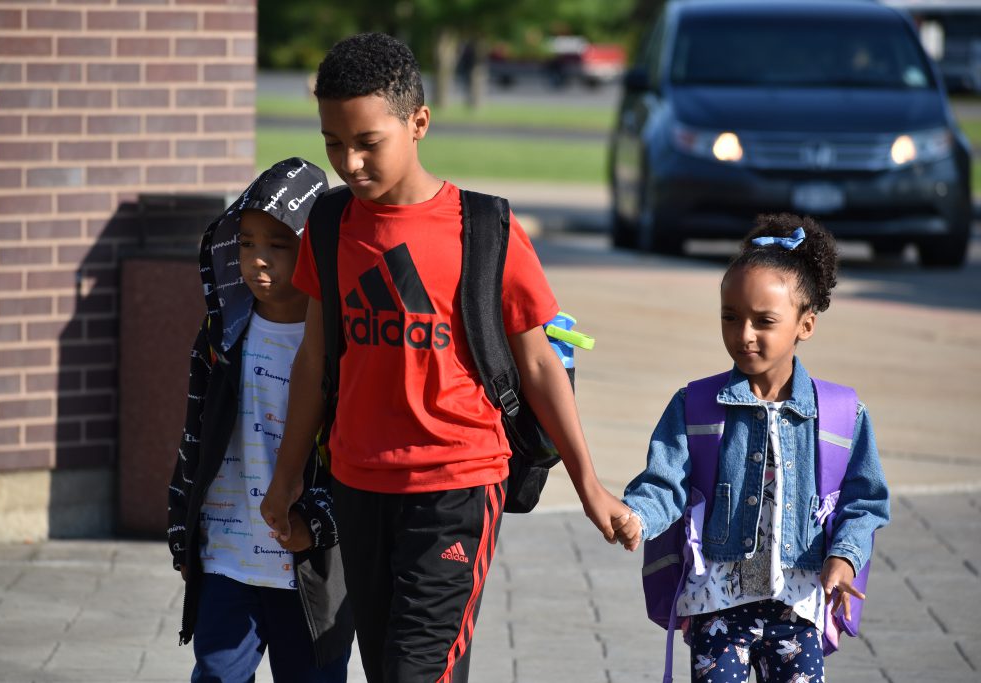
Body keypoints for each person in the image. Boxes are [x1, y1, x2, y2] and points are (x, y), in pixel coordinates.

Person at [259, 33, 638, 683]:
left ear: (419, 123)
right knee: (389, 669)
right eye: (332, 142)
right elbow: (316, 359)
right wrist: (288, 473)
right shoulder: (328, 225)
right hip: (357, 482)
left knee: (416, 670)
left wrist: (590, 484)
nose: (348, 161)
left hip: (457, 485)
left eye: (367, 142)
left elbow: (541, 365)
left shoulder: (484, 228)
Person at [619, 214, 890, 682]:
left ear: (806, 324)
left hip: (799, 607)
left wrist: (844, 557)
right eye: (730, 317)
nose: (744, 334)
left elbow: (864, 501)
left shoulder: (843, 413)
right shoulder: (694, 405)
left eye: (764, 321)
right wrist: (636, 516)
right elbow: (664, 483)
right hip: (715, 606)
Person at [167, 157, 352, 683]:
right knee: (217, 675)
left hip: (308, 570)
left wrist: (315, 525)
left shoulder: (345, 348)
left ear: (316, 250)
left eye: (279, 245)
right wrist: (183, 531)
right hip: (225, 557)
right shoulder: (221, 336)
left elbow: (355, 456)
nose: (258, 262)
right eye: (246, 244)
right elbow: (193, 437)